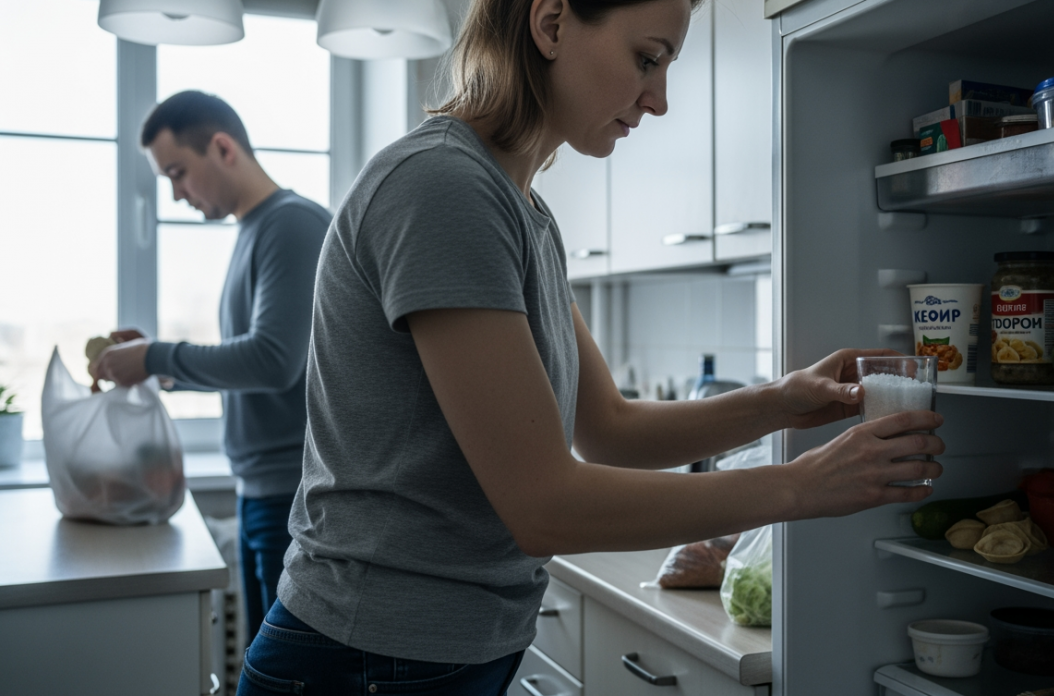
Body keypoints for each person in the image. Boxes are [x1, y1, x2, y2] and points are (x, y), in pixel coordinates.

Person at [238, 0, 944, 693]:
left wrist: (783, 402)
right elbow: (545, 504)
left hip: (429, 653)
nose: (659, 99)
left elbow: (609, 427)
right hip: (366, 656)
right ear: (550, 23)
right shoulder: (442, 188)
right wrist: (801, 485)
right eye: (647, 59)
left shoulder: (521, 211)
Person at [91, 90, 331, 644]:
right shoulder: (256, 229)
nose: (176, 194)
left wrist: (154, 356)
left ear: (222, 148)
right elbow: (256, 358)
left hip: (292, 499)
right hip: (261, 493)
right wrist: (158, 366)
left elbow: (273, 360)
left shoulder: (290, 225)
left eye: (178, 172)